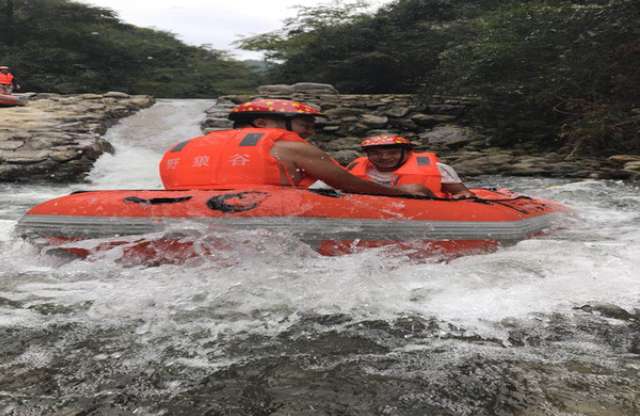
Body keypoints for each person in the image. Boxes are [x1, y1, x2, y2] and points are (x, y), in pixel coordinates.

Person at [160, 99, 421, 196]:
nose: (309, 131)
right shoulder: (290, 147)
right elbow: (351, 185)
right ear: (261, 122)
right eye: (303, 124)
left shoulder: (185, 145)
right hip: (261, 214)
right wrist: (406, 194)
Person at [346, 135, 476, 199]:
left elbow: (463, 192)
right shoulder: (355, 169)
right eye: (375, 153)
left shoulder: (439, 168)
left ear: (409, 153)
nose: (384, 157)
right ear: (367, 154)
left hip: (427, 211)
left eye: (393, 153)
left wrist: (462, 197)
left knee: (412, 188)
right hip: (373, 211)